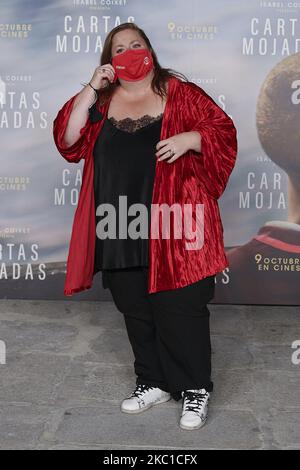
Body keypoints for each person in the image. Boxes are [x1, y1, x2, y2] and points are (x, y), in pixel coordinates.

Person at [53, 22, 238, 431]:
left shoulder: (181, 93)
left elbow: (223, 132)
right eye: (119, 48)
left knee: (182, 306)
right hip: (118, 220)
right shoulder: (101, 100)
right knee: (134, 305)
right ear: (109, 60)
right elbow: (68, 140)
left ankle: (195, 388)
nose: (129, 51)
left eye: (136, 44)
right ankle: (152, 380)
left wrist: (191, 137)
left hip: (177, 220)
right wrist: (90, 86)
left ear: (150, 49)